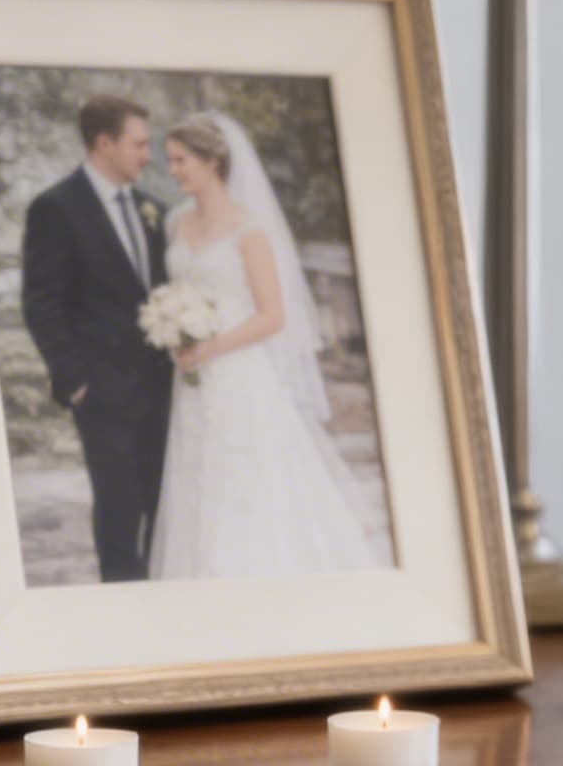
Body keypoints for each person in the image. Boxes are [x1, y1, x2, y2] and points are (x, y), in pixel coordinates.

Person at [145, 113, 379, 580]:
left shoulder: (249, 230)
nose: (173, 171)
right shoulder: (175, 222)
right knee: (197, 474)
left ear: (212, 161)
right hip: (190, 378)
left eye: (181, 160)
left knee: (245, 477)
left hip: (237, 373)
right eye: (170, 161)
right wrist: (172, 328)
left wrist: (210, 347)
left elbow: (273, 316)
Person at [19, 93, 173, 582]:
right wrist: (76, 381)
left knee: (167, 504)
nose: (148, 156)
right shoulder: (57, 208)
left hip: (167, 388)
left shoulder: (154, 209)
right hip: (103, 393)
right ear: (104, 143)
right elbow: (42, 303)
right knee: (119, 508)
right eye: (139, 144)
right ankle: (125, 610)